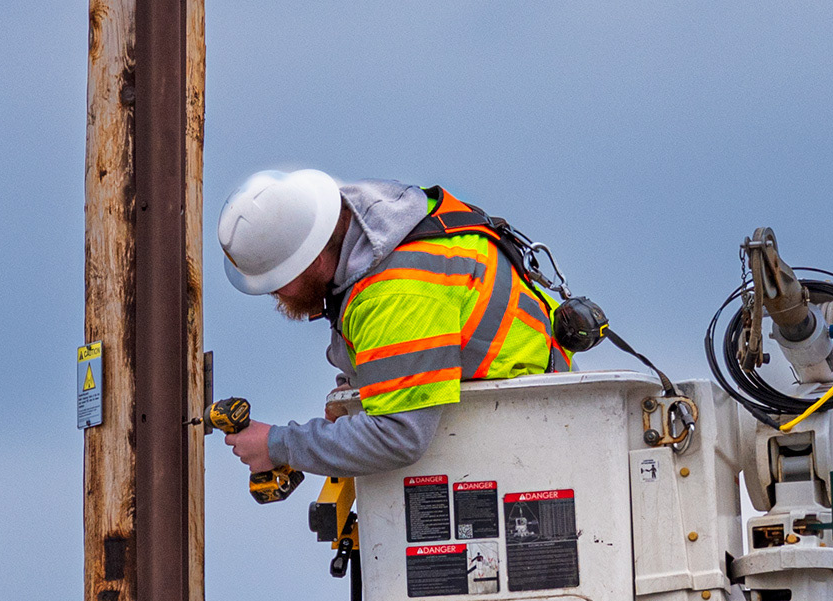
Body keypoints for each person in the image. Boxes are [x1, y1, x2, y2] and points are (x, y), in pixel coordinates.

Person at [215, 170, 571, 479]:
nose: (276, 294)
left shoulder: (397, 291)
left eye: (278, 279)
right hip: (522, 413)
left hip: (517, 440)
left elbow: (399, 436)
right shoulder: (381, 224)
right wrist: (352, 393)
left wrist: (278, 446)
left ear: (315, 258)